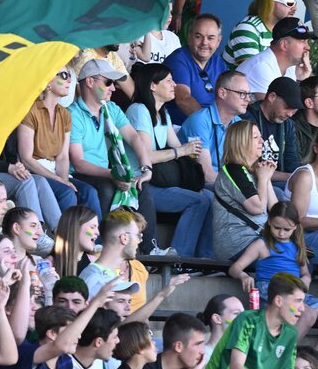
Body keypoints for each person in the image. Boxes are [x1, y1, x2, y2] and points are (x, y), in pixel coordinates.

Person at [125, 63, 211, 256]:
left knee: (208, 197)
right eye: (169, 81)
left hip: (158, 181)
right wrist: (182, 151)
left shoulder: (163, 112)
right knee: (199, 202)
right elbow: (146, 156)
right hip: (139, 183)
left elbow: (178, 148)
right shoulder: (139, 110)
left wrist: (188, 152)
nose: (175, 85)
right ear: (152, 86)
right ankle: (179, 259)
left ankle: (205, 258)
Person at [68, 59, 155, 216]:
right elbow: (79, 163)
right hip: (80, 175)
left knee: (142, 188)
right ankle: (103, 232)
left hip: (106, 173)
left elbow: (134, 138)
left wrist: (146, 169)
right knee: (107, 188)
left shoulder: (112, 108)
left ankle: (141, 234)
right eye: (108, 82)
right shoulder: (73, 114)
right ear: (90, 82)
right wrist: (113, 174)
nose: (113, 88)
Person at [18, 67, 102, 218]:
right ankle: (67, 233)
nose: (69, 80)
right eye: (63, 75)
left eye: (69, 75)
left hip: (55, 171)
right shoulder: (31, 110)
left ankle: (94, 234)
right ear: (48, 81)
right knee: (67, 193)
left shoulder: (65, 114)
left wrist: (63, 180)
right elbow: (26, 158)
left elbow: (63, 157)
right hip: (35, 172)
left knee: (89, 192)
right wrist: (60, 181)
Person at [230, 202, 318, 310]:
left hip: (294, 291)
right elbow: (235, 268)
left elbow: (305, 273)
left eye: (286, 229)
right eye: (277, 228)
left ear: (295, 226)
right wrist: (243, 276)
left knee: (310, 310)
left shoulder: (298, 246)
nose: (281, 233)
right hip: (270, 291)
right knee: (300, 311)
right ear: (269, 222)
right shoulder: (261, 245)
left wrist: (306, 279)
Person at [212, 120, 278, 262]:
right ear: (241, 142)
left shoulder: (256, 170)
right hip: (237, 243)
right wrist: (263, 179)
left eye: (261, 136)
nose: (262, 141)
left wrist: (266, 177)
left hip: (258, 238)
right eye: (255, 137)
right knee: (283, 260)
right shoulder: (233, 170)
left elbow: (275, 210)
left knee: (299, 257)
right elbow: (257, 208)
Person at [180, 69, 252, 183]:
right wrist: (239, 189)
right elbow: (206, 173)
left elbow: (246, 167)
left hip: (225, 182)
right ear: (222, 93)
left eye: (249, 94)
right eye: (242, 93)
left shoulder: (239, 123)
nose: (248, 99)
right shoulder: (200, 121)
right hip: (200, 184)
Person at [165, 13, 227, 124]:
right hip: (181, 127)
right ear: (189, 36)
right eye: (198, 36)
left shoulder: (218, 63)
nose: (204, 43)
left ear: (218, 41)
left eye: (210, 38)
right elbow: (183, 99)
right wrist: (210, 125)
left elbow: (229, 97)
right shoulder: (178, 60)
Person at [243, 77, 303, 182]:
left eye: (294, 110)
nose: (290, 114)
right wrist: (292, 178)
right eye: (287, 107)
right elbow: (251, 167)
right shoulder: (247, 119)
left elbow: (291, 161)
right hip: (253, 181)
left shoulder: (288, 125)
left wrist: (300, 179)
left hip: (280, 182)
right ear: (272, 97)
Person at [223, 0, 297, 67]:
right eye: (289, 3)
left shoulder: (283, 31)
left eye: (294, 3)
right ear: (270, 3)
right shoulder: (248, 28)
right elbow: (252, 70)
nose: (295, 8)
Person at [238, 18, 315, 97]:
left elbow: (291, 101)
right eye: (303, 41)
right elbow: (270, 104)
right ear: (284, 45)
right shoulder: (262, 66)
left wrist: (301, 80)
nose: (308, 47)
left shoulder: (290, 67)